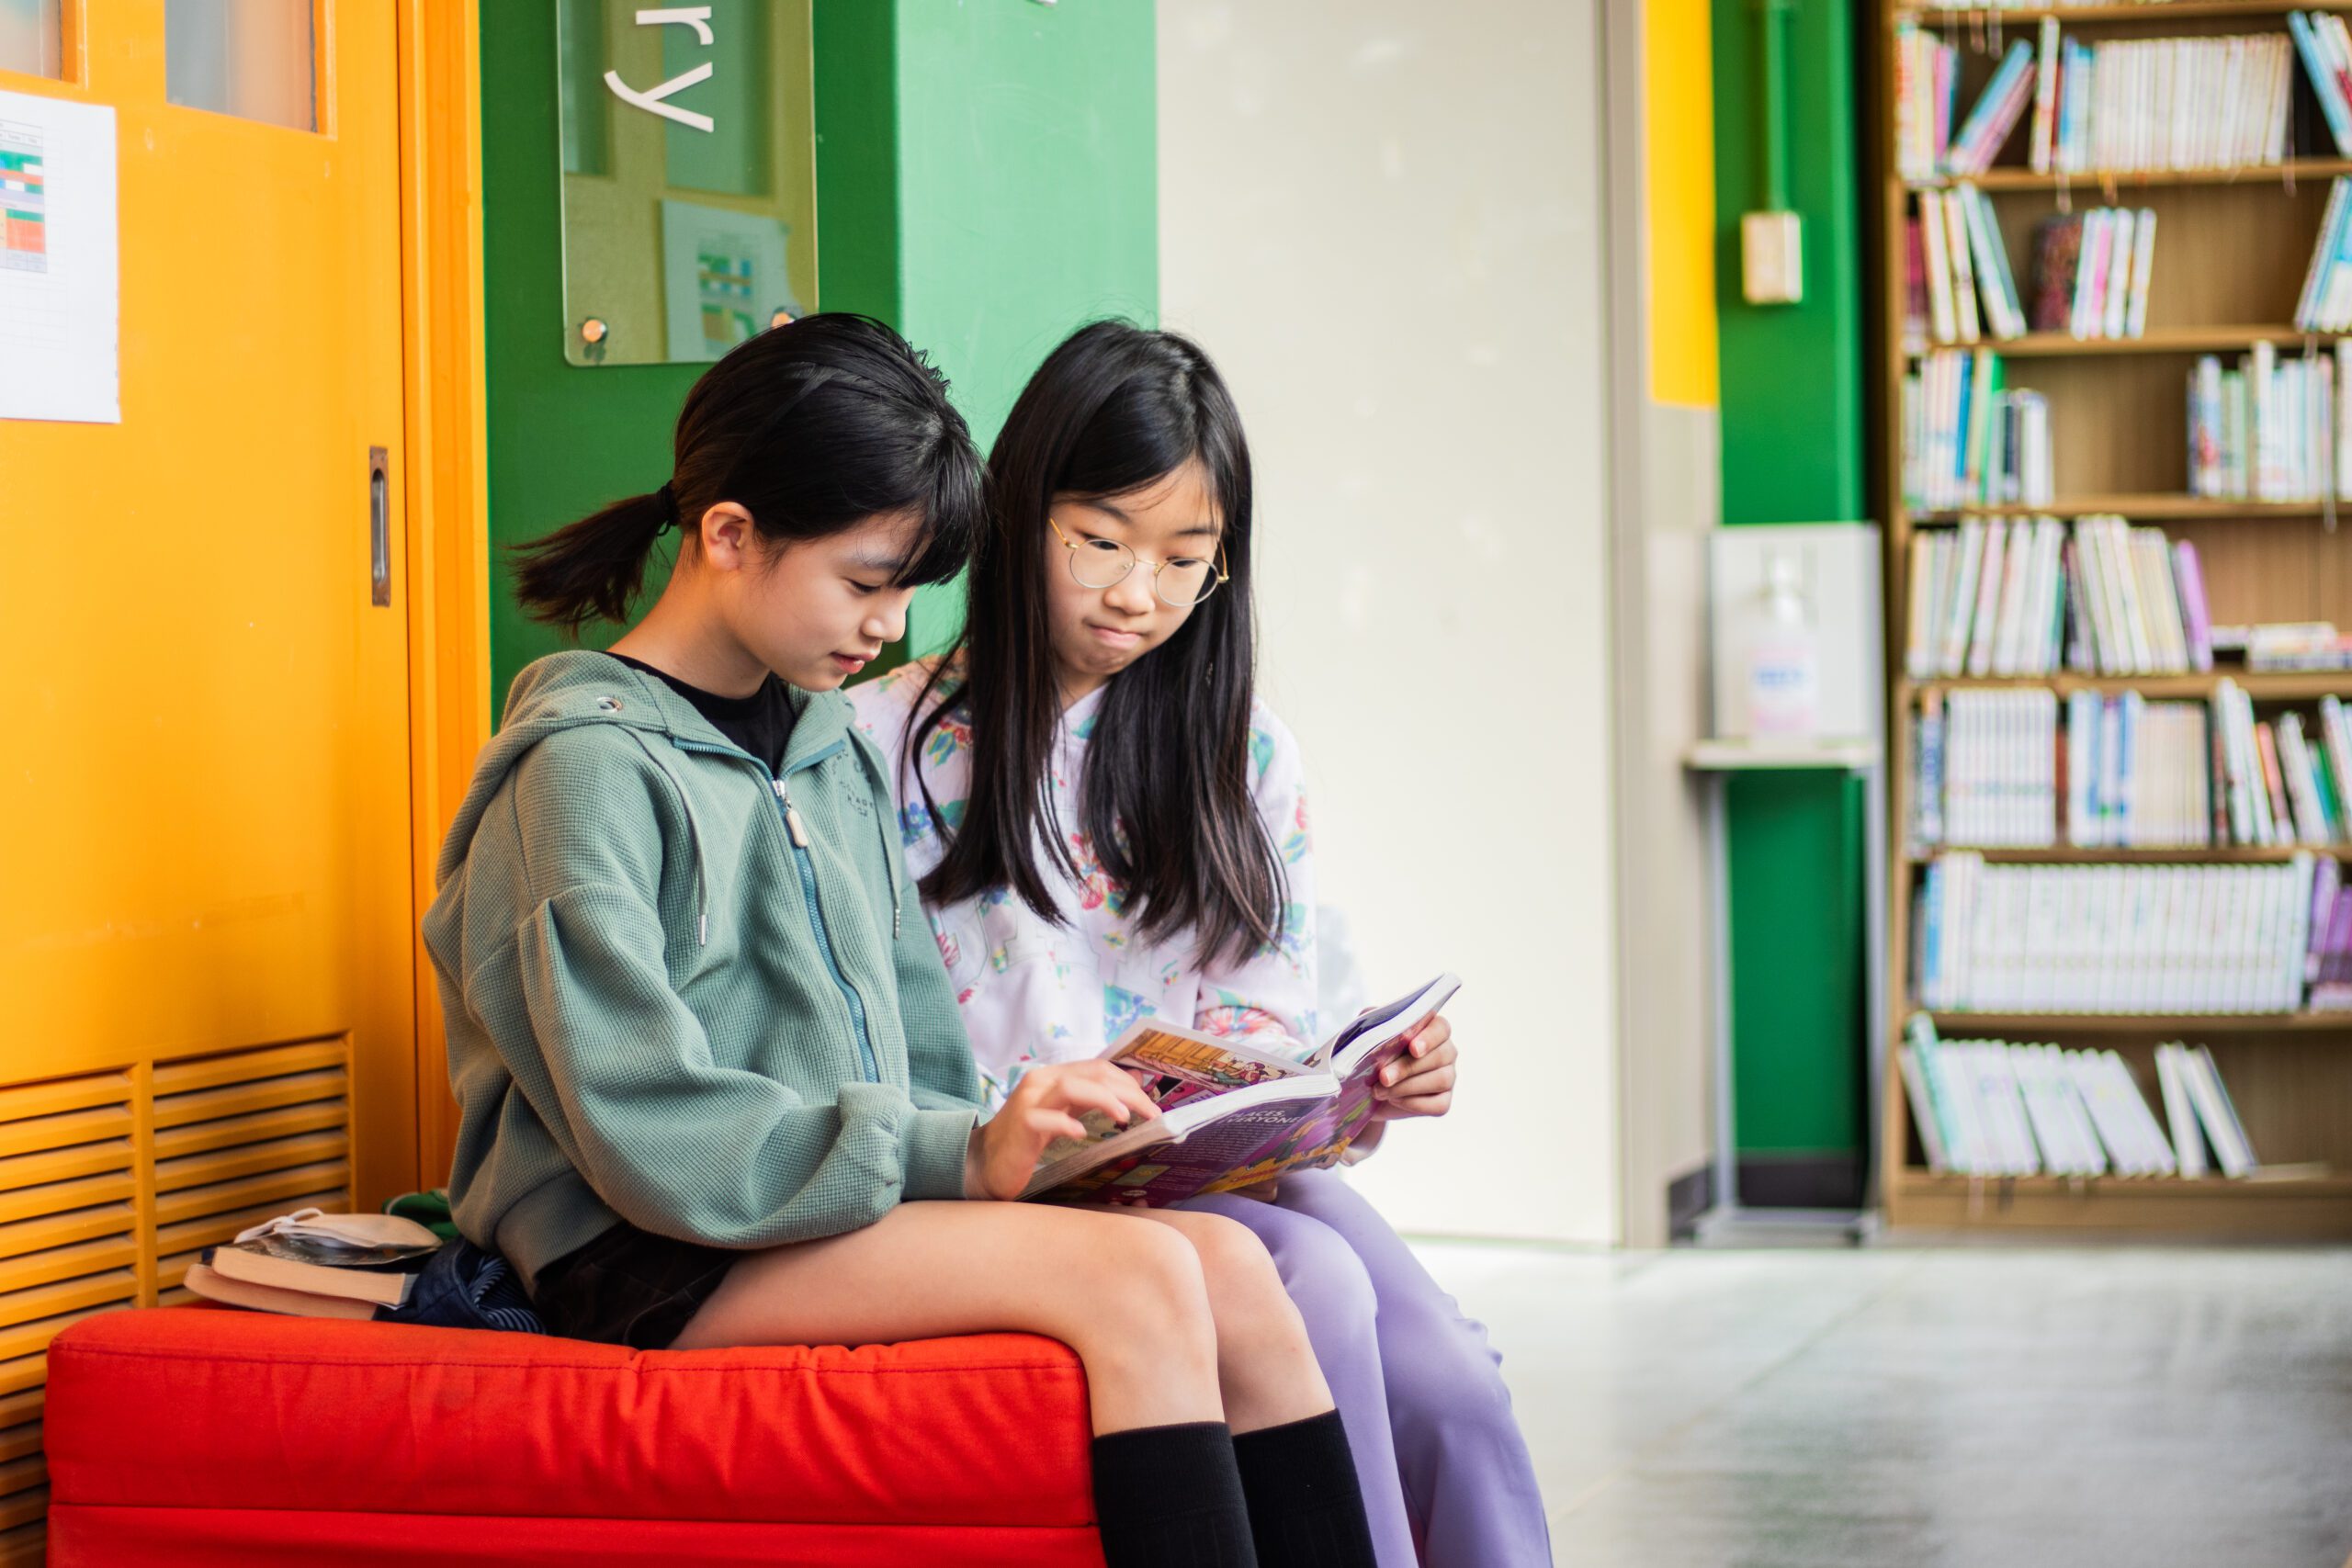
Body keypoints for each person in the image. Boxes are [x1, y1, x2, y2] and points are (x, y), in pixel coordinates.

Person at [423, 313, 1379, 1567]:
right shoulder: (585, 772)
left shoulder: (822, 749)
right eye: (868, 582)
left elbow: (915, 1039)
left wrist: (1008, 1150)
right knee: (1136, 1280)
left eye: (908, 593)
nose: (887, 626)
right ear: (728, 536)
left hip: (815, 1209)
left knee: (1234, 1273)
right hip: (642, 1244)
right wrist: (948, 1155)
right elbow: (644, 1123)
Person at [854, 320, 1551, 1566]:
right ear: (1024, 515)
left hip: (1225, 1171)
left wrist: (1362, 1089)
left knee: (1452, 1382)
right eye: (1103, 542)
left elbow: (1269, 1003)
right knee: (1322, 1296)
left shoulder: (1242, 744)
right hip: (1043, 1189)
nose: (1141, 595)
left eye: (1188, 560)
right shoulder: (883, 745)